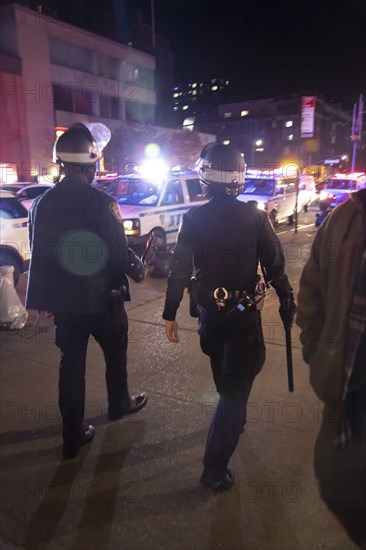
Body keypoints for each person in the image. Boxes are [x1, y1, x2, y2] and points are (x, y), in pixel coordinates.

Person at [162, 143, 296, 490]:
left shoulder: (193, 218)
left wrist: (169, 313)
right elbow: (275, 266)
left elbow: (179, 270)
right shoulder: (255, 217)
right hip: (241, 319)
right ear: (239, 179)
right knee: (234, 394)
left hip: (210, 318)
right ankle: (213, 470)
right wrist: (287, 299)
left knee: (225, 375)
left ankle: (233, 420)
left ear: (205, 179)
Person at [26, 122, 147, 459]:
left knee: (70, 368)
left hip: (65, 306)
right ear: (88, 164)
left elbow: (40, 251)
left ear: (62, 163)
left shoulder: (41, 204)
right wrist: (136, 266)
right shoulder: (103, 202)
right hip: (103, 301)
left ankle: (72, 436)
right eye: (95, 164)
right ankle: (119, 404)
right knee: (115, 354)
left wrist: (45, 299)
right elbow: (117, 252)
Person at [296, 188, 366, 548]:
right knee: (337, 483)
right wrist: (319, 354)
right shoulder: (346, 218)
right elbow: (311, 295)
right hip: (347, 404)